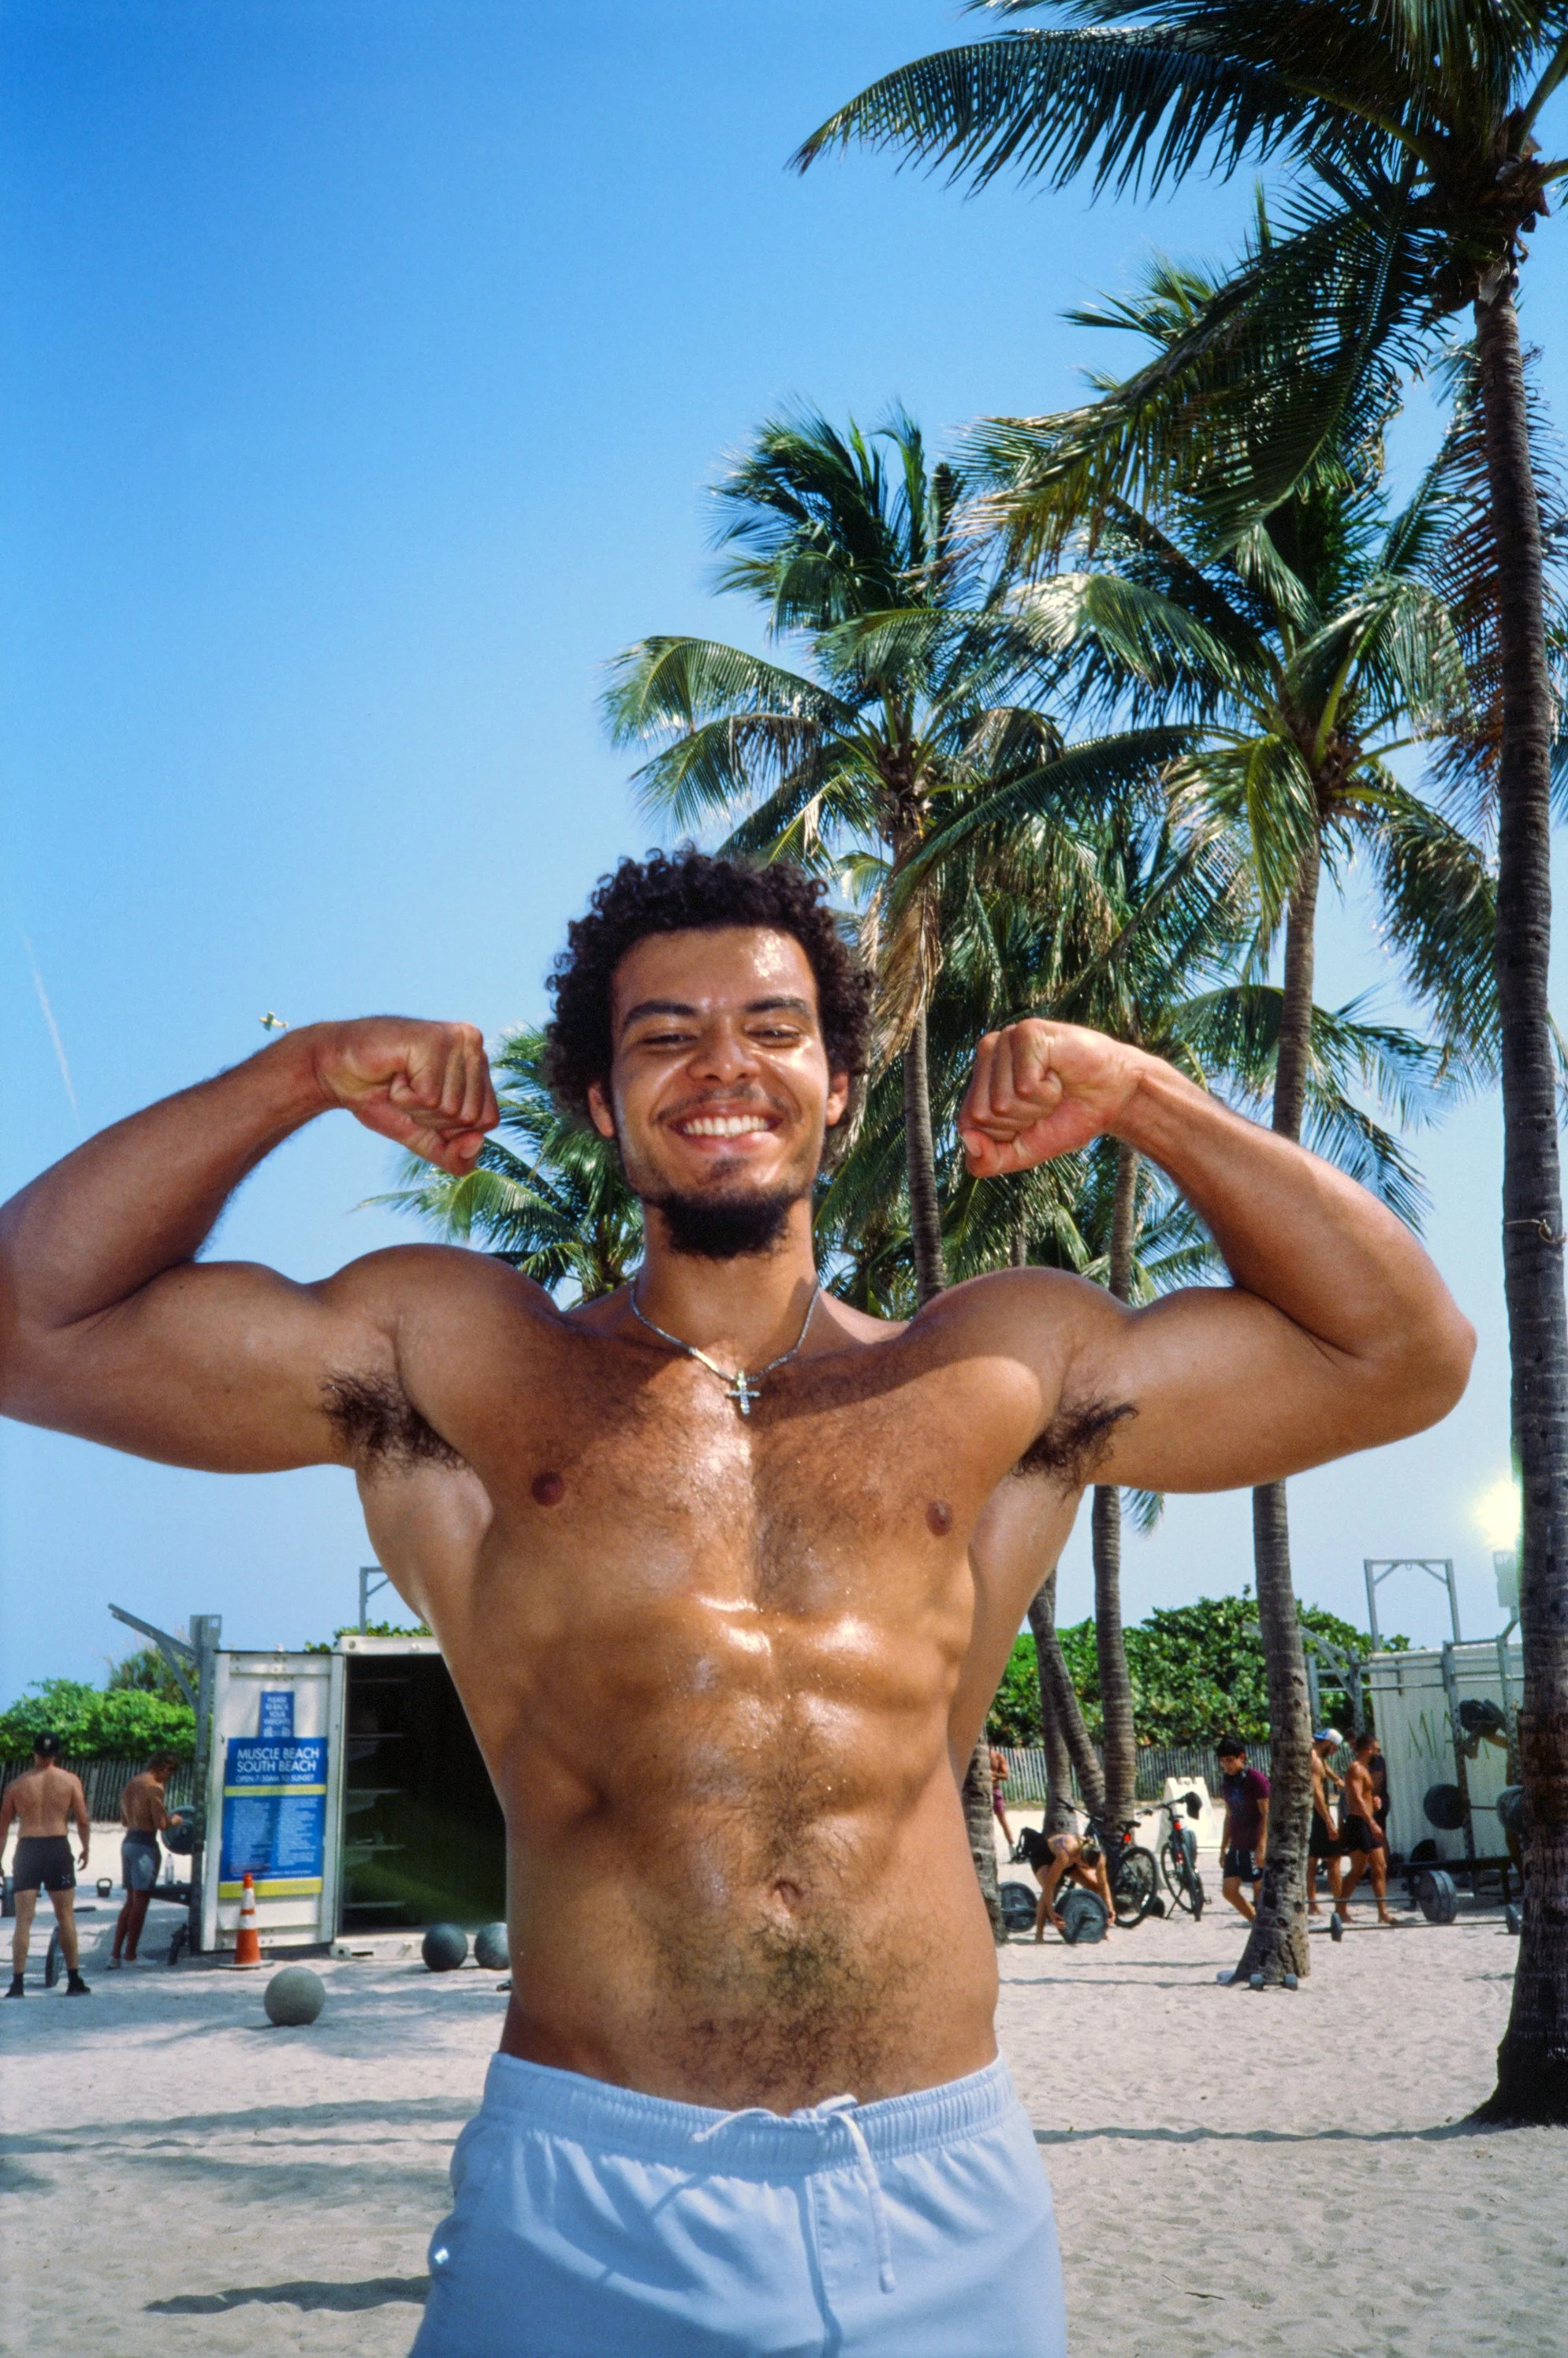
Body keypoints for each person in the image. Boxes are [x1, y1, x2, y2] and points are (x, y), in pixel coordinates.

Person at [0, 850, 1473, 2357]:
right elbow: (30, 1321)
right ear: (596, 1099)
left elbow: (1400, 1354)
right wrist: (299, 1074)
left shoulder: (990, 1371)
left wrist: (1147, 1097)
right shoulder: (463, 1365)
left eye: (773, 1030)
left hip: (936, 2184)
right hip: (587, 2193)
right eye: (663, 1035)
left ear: (838, 1085)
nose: (722, 1067)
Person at [0, 1735, 92, 1996]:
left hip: (28, 1849)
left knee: (23, 1920)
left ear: (34, 1753)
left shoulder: (16, 1785)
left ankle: (17, 1984)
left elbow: (2, 1828)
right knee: (65, 1917)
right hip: (57, 1848)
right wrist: (86, 1848)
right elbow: (83, 1820)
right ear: (57, 1754)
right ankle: (74, 1980)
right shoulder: (70, 1780)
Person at [110, 1753, 180, 1968]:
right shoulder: (154, 1787)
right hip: (144, 1845)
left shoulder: (131, 1784)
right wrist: (175, 1820)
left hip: (128, 1842)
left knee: (130, 1902)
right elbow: (161, 1823)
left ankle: (115, 1955)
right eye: (170, 1773)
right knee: (140, 1903)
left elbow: (123, 1820)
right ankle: (131, 1955)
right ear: (165, 1767)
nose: (168, 1778)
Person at [1339, 1729, 1395, 1925]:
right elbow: (1355, 1799)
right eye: (1377, 1749)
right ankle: (1340, 1910)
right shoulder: (1355, 1768)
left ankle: (1383, 1913)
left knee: (1380, 1867)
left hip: (1368, 1820)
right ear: (1369, 1749)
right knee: (1358, 1870)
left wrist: (1376, 1799)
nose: (1379, 1753)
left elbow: (1365, 1796)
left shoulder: (1365, 1769)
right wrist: (1372, 1823)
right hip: (1359, 1823)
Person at [1216, 1734, 1270, 1923]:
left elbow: (1266, 1814)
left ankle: (1261, 1924)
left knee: (1260, 1892)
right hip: (1237, 1844)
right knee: (1229, 1891)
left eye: (1230, 1760)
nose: (1227, 1765)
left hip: (1255, 1843)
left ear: (1242, 1757)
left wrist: (1262, 1845)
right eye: (1223, 1762)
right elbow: (1229, 1815)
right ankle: (1255, 1921)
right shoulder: (1227, 1781)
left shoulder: (1256, 1779)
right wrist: (1223, 1847)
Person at [1029, 1829, 1114, 1941]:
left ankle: (1100, 1930)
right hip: (1044, 1855)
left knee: (1094, 1885)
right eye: (1086, 1867)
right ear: (1081, 1860)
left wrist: (1110, 1909)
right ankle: (1039, 1935)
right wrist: (1051, 1912)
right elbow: (1050, 1885)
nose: (1088, 1870)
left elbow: (1103, 1885)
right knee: (1051, 1889)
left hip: (1072, 1859)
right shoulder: (1066, 1853)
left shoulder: (1099, 1857)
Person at [1308, 1729, 1345, 1918]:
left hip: (1315, 1815)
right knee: (1334, 1859)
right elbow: (1317, 1793)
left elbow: (1326, 1768)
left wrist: (1337, 1779)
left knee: (1312, 1860)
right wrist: (1329, 1822)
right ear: (1329, 1743)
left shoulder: (1317, 1756)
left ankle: (1313, 1904)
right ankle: (1340, 1906)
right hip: (1318, 1815)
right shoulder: (1315, 1760)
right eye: (1335, 1748)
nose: (1335, 1752)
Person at [989, 1745, 1015, 1848]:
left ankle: (1012, 1847)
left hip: (994, 1790)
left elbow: (1006, 1775)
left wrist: (992, 1774)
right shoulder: (976, 1756)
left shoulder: (998, 1757)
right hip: (980, 1792)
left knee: (1002, 1820)